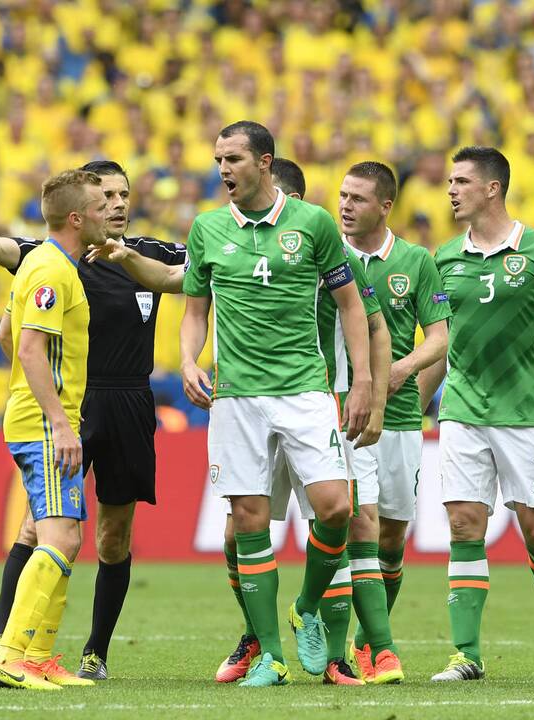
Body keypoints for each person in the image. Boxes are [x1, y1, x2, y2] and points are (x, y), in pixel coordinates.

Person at [0, 160, 187, 680]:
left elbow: (213, 269)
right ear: (83, 208)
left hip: (127, 401)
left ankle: (94, 652)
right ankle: (7, 641)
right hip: (69, 404)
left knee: (112, 536)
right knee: (43, 526)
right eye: (107, 196)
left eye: (124, 194)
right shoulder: (53, 257)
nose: (118, 204)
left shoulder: (152, 254)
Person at [180, 121, 373, 688]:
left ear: (265, 163)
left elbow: (351, 306)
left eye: (234, 159)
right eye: (218, 159)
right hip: (236, 394)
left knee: (337, 507)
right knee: (248, 521)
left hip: (304, 388)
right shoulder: (207, 228)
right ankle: (269, 654)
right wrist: (189, 361)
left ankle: (307, 605)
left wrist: (361, 381)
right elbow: (195, 309)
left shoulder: (312, 223)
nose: (223, 170)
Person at [419, 146, 534, 683]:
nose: (451, 190)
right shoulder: (443, 258)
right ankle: (466, 654)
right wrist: (414, 402)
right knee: (463, 522)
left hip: (525, 410)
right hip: (462, 409)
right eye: (449, 181)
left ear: (492, 189)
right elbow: (438, 342)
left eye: (461, 181)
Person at [0, 169, 105, 689]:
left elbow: (6, 333)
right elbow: (28, 347)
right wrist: (58, 421)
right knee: (59, 538)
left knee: (61, 535)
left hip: (34, 418)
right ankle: (12, 656)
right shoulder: (55, 271)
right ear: (76, 217)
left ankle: (40, 656)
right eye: (100, 206)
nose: (110, 214)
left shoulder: (40, 263)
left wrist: (27, 391)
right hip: (46, 426)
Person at [337, 161, 451, 683]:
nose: (345, 206)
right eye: (342, 195)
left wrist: (404, 366)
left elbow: (440, 336)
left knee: (392, 537)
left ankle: (365, 641)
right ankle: (370, 648)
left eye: (358, 198)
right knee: (355, 525)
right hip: (335, 410)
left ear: (385, 206)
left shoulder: (415, 261)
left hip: (400, 417)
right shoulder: (325, 255)